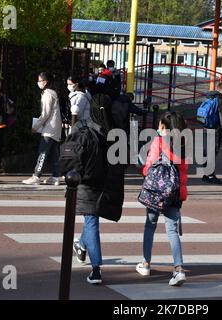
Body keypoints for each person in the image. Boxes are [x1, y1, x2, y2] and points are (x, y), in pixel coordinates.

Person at [71, 93, 125, 285]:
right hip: (107, 182)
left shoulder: (84, 128)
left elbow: (73, 155)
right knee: (91, 219)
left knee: (91, 220)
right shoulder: (116, 129)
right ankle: (81, 244)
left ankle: (96, 269)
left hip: (88, 181)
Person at [136, 111, 188, 287]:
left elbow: (149, 165)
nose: (158, 128)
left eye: (160, 125)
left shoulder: (158, 142)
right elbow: (184, 170)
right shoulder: (183, 142)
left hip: (156, 192)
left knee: (150, 225)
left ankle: (146, 264)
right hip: (174, 193)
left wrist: (144, 171)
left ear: (164, 127)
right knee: (172, 231)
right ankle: (178, 269)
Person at [22, 72, 62, 185]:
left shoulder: (47, 94)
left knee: (43, 152)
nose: (38, 83)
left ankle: (36, 175)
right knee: (55, 153)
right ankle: (55, 176)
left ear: (45, 82)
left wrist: (36, 126)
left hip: (49, 128)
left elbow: (45, 113)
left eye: (40, 81)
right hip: (56, 126)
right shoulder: (53, 92)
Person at [201, 82, 222, 185]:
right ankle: (210, 175)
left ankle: (206, 174)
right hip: (216, 129)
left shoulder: (209, 97)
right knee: (212, 152)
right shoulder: (220, 100)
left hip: (206, 127)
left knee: (208, 152)